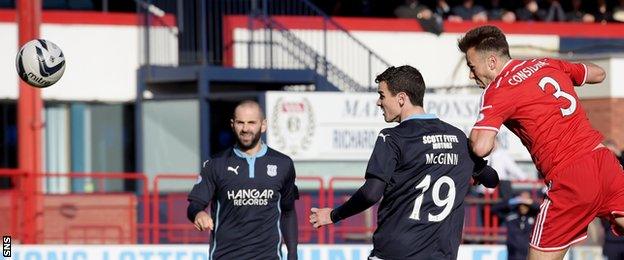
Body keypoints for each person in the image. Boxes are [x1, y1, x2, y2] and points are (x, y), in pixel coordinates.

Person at [457, 25, 624, 260]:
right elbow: (599, 73)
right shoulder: (545, 63)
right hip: (603, 161)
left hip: (570, 176)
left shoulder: (498, 89)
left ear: (492, 62)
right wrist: (568, 73)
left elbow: (482, 146)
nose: (471, 75)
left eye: (472, 67)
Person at [309, 65, 499, 259]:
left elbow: (371, 194)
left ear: (401, 98)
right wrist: (472, 171)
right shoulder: (457, 137)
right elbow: (492, 179)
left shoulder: (392, 138)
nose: (378, 102)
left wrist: (334, 215)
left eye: (382, 95)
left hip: (395, 253)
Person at [187, 100, 299, 260]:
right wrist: (198, 214)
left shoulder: (283, 164)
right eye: (240, 122)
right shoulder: (215, 164)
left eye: (252, 123)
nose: (245, 129)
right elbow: (194, 205)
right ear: (233, 124)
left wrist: (293, 255)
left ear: (263, 125)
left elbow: (288, 212)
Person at [492, 191, 540, 260]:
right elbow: (495, 209)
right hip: (513, 254)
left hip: (528, 254)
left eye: (525, 204)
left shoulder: (534, 216)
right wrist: (514, 200)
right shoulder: (511, 215)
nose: (523, 207)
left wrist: (530, 202)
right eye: (521, 203)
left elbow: (541, 209)